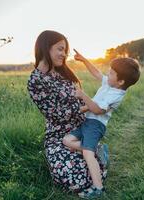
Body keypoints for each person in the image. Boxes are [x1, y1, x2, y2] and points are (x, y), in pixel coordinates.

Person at [27, 30, 107, 192]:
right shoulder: (35, 80)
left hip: (79, 129)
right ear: (45, 47)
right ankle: (95, 151)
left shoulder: (63, 73)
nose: (64, 54)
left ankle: (95, 151)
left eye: (65, 50)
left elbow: (76, 101)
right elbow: (56, 116)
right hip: (58, 135)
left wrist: (90, 105)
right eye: (60, 49)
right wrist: (92, 106)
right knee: (73, 179)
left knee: (92, 172)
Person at [63, 49, 141, 198]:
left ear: (121, 81)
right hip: (87, 122)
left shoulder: (116, 94)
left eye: (111, 73)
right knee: (66, 140)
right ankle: (97, 150)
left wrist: (82, 95)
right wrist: (84, 59)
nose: (108, 74)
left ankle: (98, 188)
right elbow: (96, 73)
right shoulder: (110, 84)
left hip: (96, 126)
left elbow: (98, 110)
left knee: (87, 153)